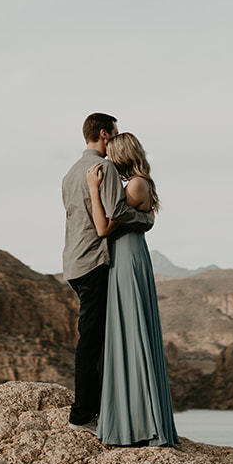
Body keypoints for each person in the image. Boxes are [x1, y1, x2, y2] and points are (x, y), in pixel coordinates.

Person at [61, 113, 153, 431]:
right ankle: (83, 415)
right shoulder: (106, 169)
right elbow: (114, 215)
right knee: (92, 342)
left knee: (94, 338)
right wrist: (146, 219)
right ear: (104, 134)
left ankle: (100, 409)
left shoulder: (70, 173)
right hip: (95, 262)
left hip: (73, 263)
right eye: (113, 135)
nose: (114, 141)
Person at [85, 132, 178, 447]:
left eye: (111, 155)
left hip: (128, 259)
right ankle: (132, 419)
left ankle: (139, 424)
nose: (107, 161)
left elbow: (103, 226)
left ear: (122, 154)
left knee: (132, 333)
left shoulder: (137, 184)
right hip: (124, 257)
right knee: (125, 332)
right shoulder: (136, 184)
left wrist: (94, 190)